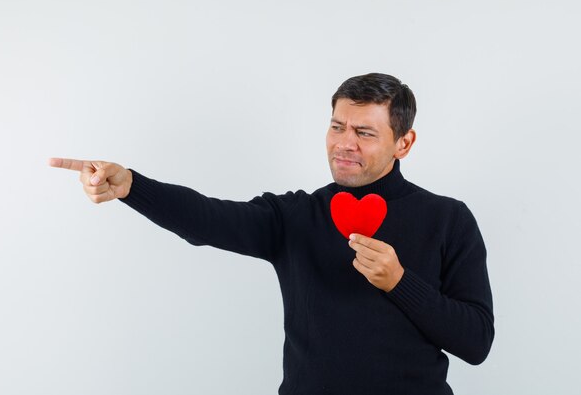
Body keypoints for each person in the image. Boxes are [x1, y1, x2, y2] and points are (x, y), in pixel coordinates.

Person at [48, 72, 494, 394]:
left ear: (404, 143)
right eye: (337, 127)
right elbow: (208, 218)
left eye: (364, 132)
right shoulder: (296, 214)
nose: (344, 143)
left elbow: (476, 343)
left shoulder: (449, 219)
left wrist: (400, 282)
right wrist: (132, 186)